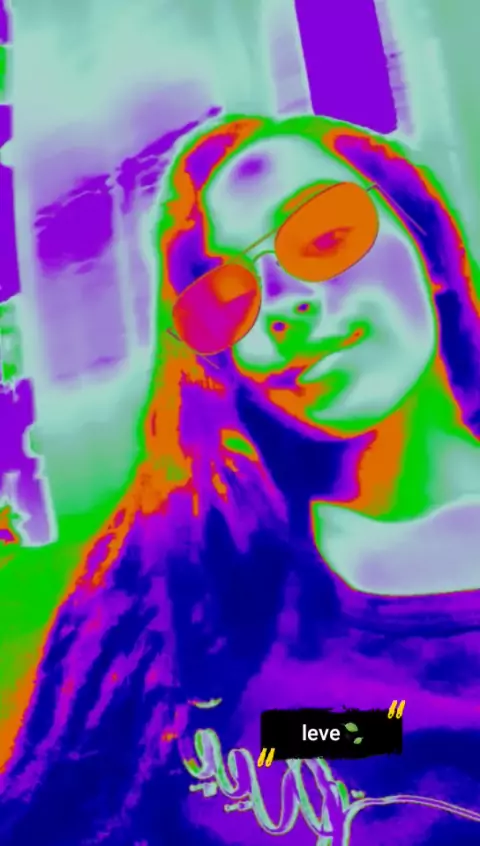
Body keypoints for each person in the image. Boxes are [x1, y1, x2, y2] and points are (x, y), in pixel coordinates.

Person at [1, 112, 480, 846]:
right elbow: (320, 735)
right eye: (227, 296)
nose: (280, 304)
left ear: (428, 247)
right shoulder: (190, 562)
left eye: (326, 238)